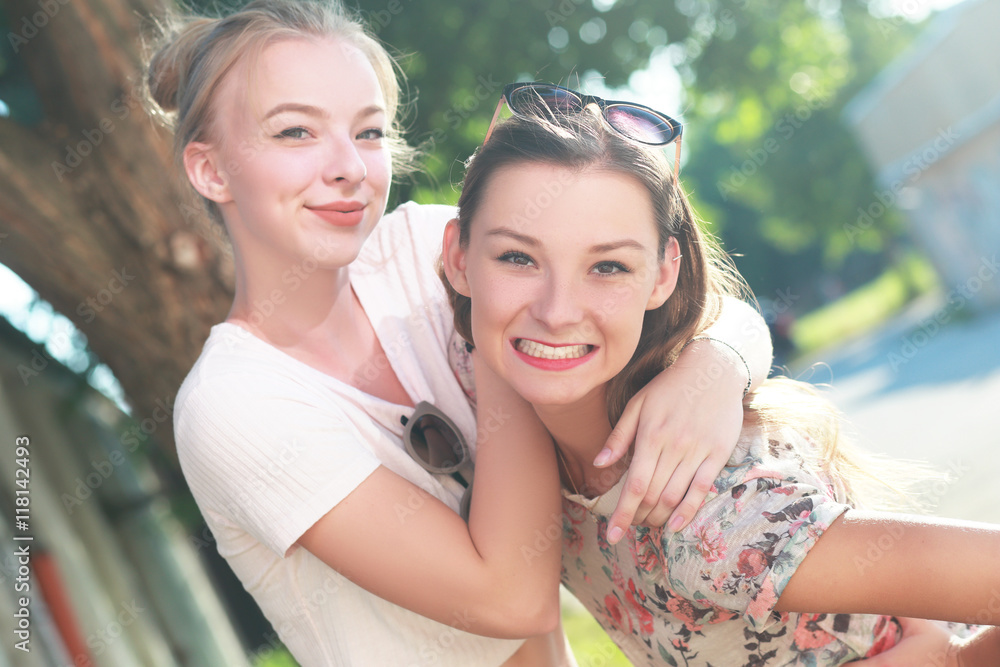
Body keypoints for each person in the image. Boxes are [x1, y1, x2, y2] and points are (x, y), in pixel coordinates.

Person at [146, 1, 775, 664]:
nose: (351, 168)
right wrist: (494, 331)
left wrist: (718, 363)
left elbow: (680, 301)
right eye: (297, 132)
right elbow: (510, 598)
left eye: (367, 132)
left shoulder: (417, 245)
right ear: (210, 170)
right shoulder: (232, 402)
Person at [439, 98, 1000, 666]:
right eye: (517, 257)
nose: (557, 312)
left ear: (662, 275)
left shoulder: (718, 511)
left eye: (607, 266)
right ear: (457, 258)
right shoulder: (478, 377)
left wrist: (952, 660)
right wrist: (725, 356)